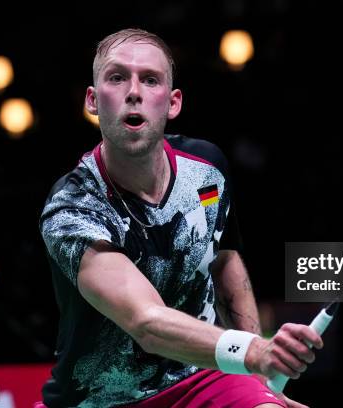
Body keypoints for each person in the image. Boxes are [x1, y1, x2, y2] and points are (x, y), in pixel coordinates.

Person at [39, 28, 323, 408]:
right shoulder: (73, 208)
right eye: (117, 77)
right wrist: (254, 349)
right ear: (93, 100)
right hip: (97, 400)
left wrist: (258, 382)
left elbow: (225, 263)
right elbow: (147, 323)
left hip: (200, 378)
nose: (134, 91)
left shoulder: (207, 171)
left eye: (150, 79)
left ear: (173, 103)